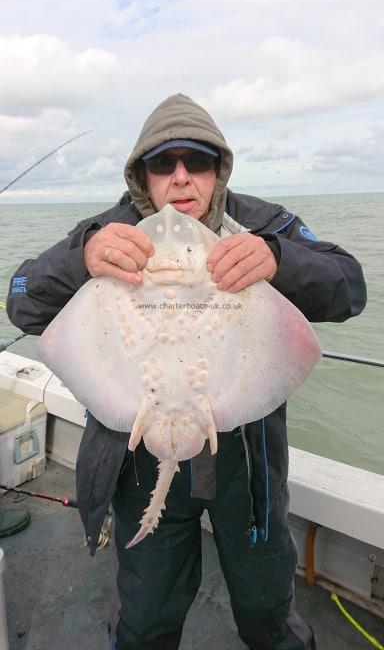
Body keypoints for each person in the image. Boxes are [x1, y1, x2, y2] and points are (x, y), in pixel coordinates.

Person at [6, 93, 367, 650]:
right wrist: (81, 258)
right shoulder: (106, 231)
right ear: (141, 177)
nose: (180, 179)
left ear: (218, 169)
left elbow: (350, 283)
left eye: (197, 161)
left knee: (267, 607)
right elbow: (21, 298)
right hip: (138, 451)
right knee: (146, 616)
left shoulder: (263, 224)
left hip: (244, 464)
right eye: (162, 163)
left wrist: (278, 259)